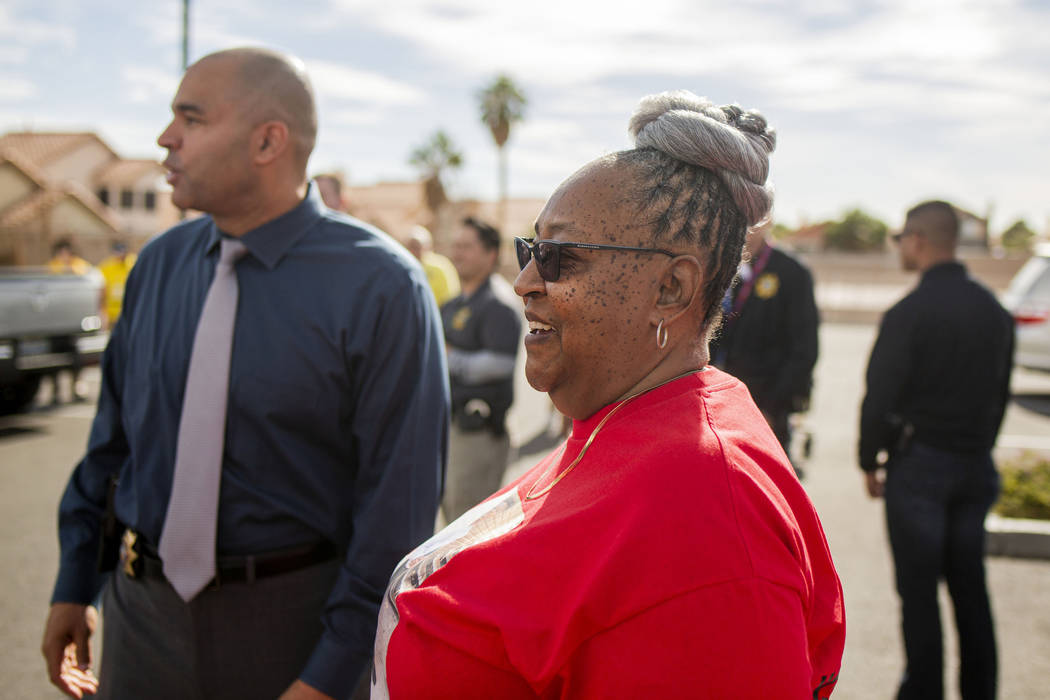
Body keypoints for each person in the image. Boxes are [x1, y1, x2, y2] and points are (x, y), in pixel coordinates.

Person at [372, 90, 845, 698]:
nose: (524, 282)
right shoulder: (619, 420)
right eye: (530, 250)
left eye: (559, 256)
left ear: (671, 289)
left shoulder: (708, 521)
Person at [40, 47, 449, 700]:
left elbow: (395, 517)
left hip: (293, 635)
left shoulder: (383, 287)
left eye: (191, 119)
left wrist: (328, 676)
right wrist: (74, 584)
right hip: (139, 623)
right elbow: (112, 450)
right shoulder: (157, 268)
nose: (164, 138)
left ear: (267, 141)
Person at [858, 201, 1013, 700]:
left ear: (919, 240)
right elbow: (1000, 393)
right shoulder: (994, 311)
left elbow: (879, 395)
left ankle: (921, 691)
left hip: (919, 468)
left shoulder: (908, 314)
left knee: (919, 597)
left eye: (901, 237)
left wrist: (869, 459)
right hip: (974, 467)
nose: (900, 247)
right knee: (971, 592)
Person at [709, 218, 819, 469]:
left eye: (752, 219)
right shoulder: (716, 263)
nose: (742, 227)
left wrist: (772, 408)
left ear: (767, 220)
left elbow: (804, 350)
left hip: (764, 406)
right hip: (717, 403)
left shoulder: (792, 272)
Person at [440, 217, 521, 522]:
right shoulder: (453, 303)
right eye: (456, 246)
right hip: (449, 430)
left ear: (490, 254)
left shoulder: (497, 304)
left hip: (478, 434)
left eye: (466, 247)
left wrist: (448, 358)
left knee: (467, 529)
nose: (457, 253)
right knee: (448, 521)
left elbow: (500, 364)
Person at [47, 238, 96, 402]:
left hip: (74, 320)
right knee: (53, 356)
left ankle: (76, 386)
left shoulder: (80, 266)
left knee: (76, 357)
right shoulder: (53, 266)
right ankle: (55, 389)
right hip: (55, 321)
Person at [404, 224, 460, 307]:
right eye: (410, 247)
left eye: (416, 247)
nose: (413, 251)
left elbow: (451, 296)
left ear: (427, 247)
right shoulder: (403, 266)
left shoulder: (440, 267)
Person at [97, 241, 137, 328]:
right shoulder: (107, 267)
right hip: (112, 313)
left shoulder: (133, 263)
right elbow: (102, 291)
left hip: (130, 310)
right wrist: (102, 311)